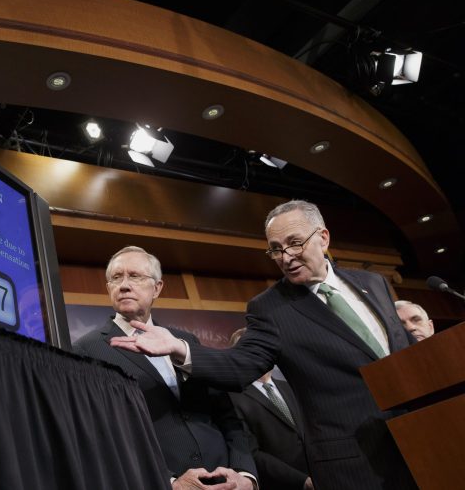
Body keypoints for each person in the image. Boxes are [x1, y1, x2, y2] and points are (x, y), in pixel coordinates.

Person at [110, 200, 417, 490]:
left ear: (323, 238)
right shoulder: (271, 308)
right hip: (355, 460)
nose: (286, 257)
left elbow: (405, 351)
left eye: (295, 243)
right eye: (276, 249)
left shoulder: (373, 283)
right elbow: (239, 365)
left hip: (420, 436)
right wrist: (180, 349)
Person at [74, 246, 258, 489]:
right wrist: (168, 482)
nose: (124, 285)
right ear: (109, 289)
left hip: (226, 481)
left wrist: (246, 475)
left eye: (135, 276)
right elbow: (101, 434)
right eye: (116, 278)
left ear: (157, 288)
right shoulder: (87, 349)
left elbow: (226, 415)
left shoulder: (186, 342)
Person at [227, 328, 312, 490]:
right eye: (250, 349)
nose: (260, 354)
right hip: (282, 484)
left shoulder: (290, 387)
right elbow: (252, 452)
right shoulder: (232, 397)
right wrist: (302, 480)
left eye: (264, 348)